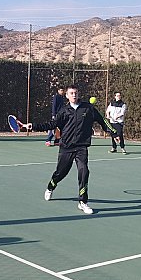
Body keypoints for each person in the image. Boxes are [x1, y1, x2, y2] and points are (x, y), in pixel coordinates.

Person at [23, 84, 117, 215]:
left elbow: (102, 121)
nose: (74, 95)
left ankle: (83, 202)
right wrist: (33, 126)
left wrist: (114, 133)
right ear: (67, 95)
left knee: (84, 171)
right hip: (66, 147)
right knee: (60, 173)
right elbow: (52, 124)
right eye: (71, 93)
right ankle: (51, 186)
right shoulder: (63, 111)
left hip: (81, 147)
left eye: (76, 93)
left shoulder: (88, 108)